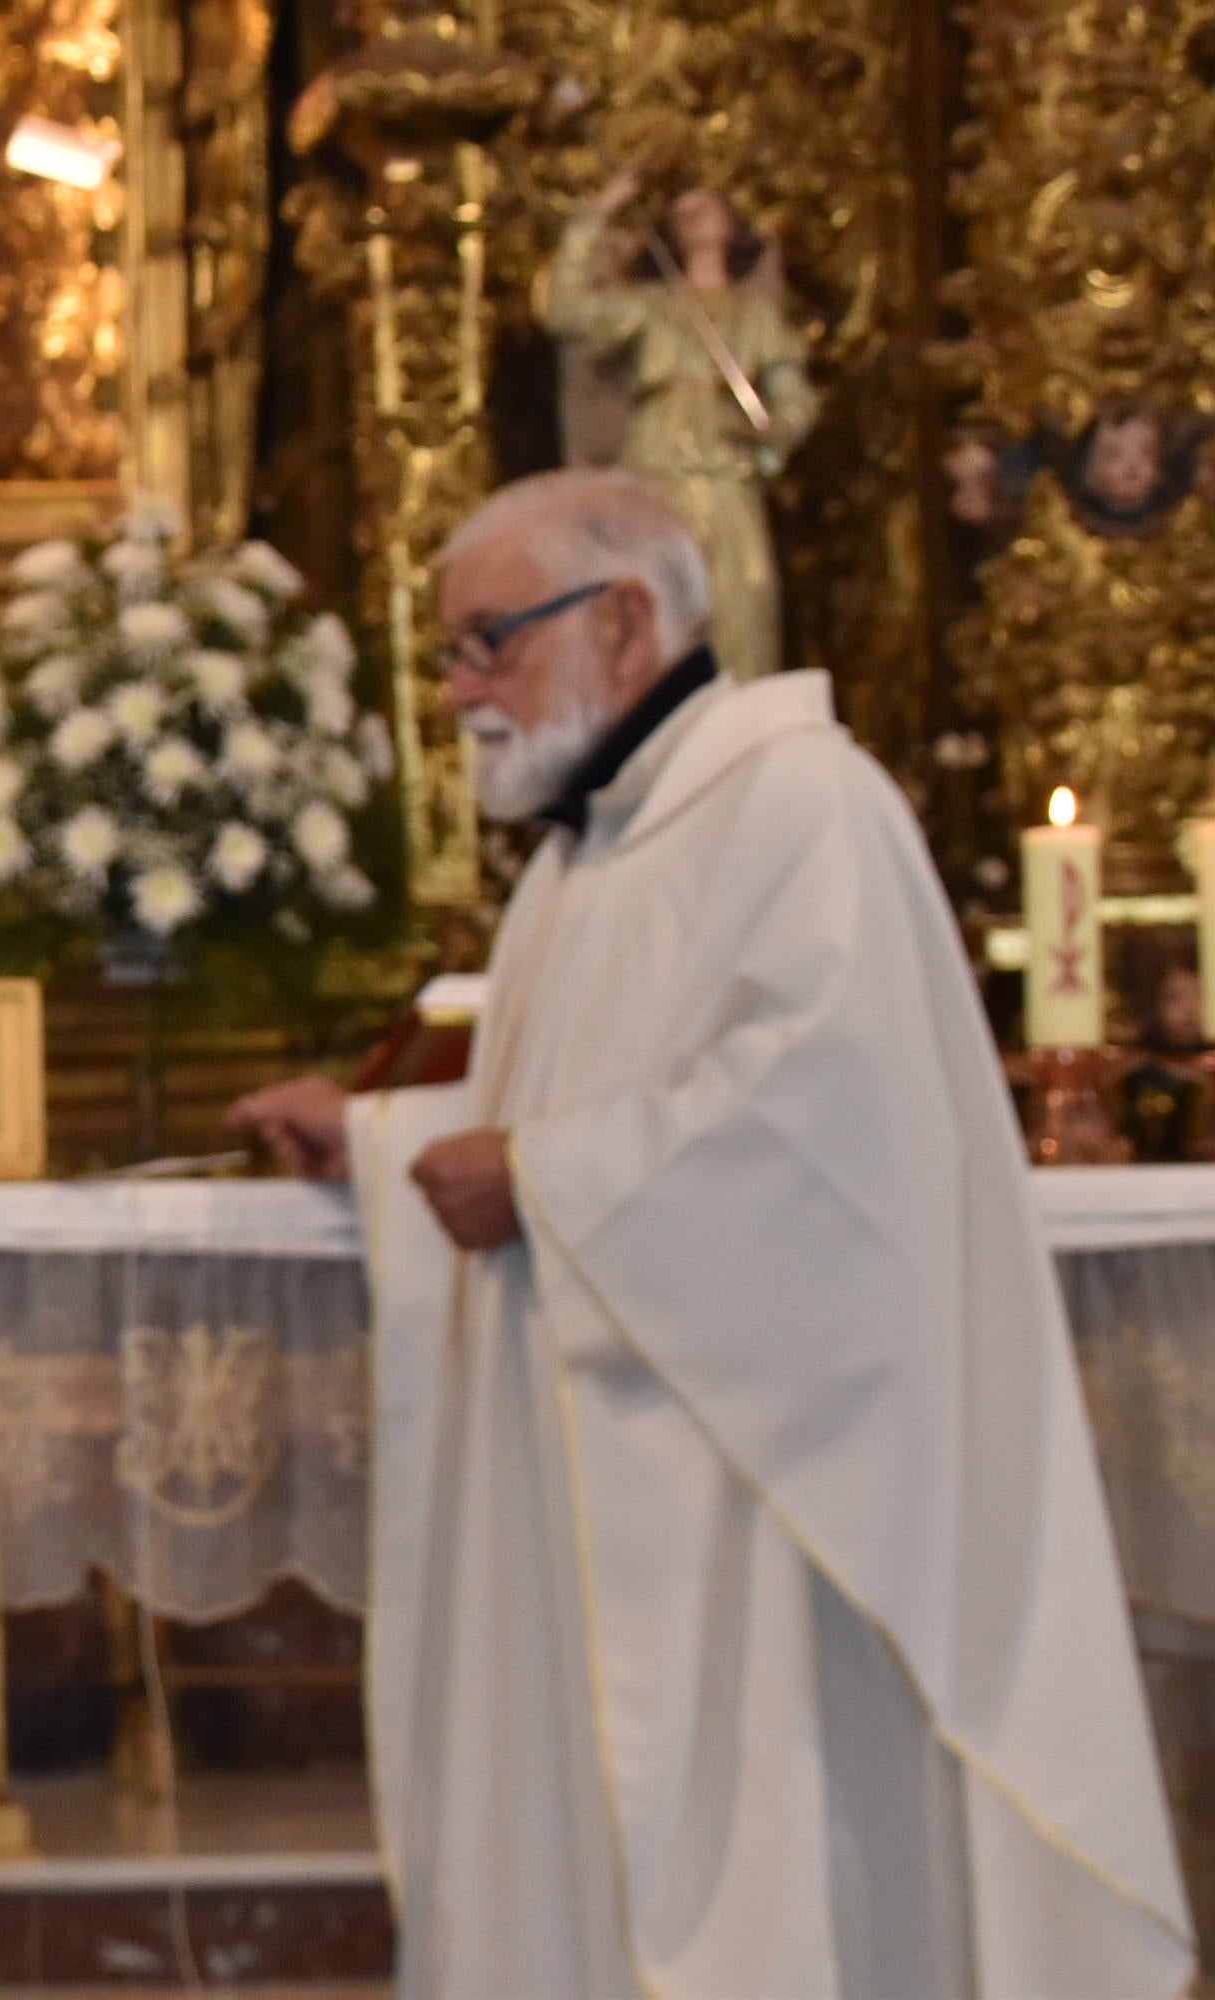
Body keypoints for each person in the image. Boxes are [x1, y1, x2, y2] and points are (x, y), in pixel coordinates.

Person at [227, 469, 1192, 1997]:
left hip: (763, 1518)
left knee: (776, 1886)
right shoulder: (583, 861)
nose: (462, 690)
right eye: (455, 653)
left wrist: (544, 1178)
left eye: (489, 643)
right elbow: (586, 1101)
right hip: (612, 1497)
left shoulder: (804, 807)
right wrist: (385, 1140)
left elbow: (830, 1131)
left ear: (625, 621)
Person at [548, 173, 818, 679]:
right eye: (683, 213)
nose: (694, 219)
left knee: (742, 602)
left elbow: (795, 398)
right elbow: (567, 310)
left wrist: (773, 428)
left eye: (706, 208)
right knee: (658, 601)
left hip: (726, 469)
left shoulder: (755, 314)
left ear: (732, 225)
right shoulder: (652, 307)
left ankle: (739, 711)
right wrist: (596, 214)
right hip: (659, 465)